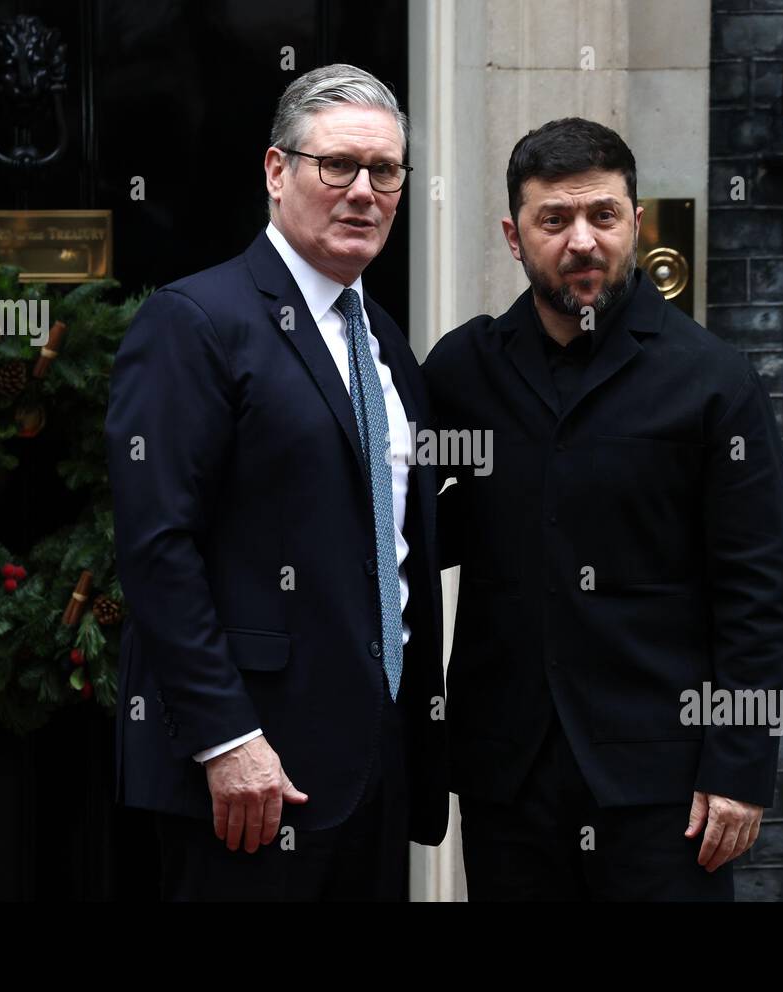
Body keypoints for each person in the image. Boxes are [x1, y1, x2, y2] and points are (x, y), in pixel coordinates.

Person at [422, 117, 783, 901]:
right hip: (507, 776)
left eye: (603, 215)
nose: (581, 241)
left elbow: (755, 592)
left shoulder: (713, 381)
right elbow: (401, 525)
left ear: (635, 221)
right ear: (513, 236)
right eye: (553, 220)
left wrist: (742, 767)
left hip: (666, 784)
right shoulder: (463, 369)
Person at [104, 63, 447, 901]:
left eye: (386, 171)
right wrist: (225, 738)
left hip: (376, 767)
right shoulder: (195, 322)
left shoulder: (387, 344)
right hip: (253, 779)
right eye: (338, 165)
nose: (363, 190)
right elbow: (157, 547)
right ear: (276, 171)